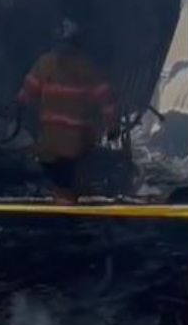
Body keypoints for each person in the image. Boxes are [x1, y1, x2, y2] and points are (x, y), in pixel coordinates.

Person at [17, 18, 116, 204]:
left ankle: (61, 208)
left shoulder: (44, 63)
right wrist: (112, 126)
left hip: (50, 147)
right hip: (77, 147)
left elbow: (24, 97)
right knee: (67, 185)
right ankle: (66, 209)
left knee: (59, 183)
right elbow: (105, 98)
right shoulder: (86, 67)